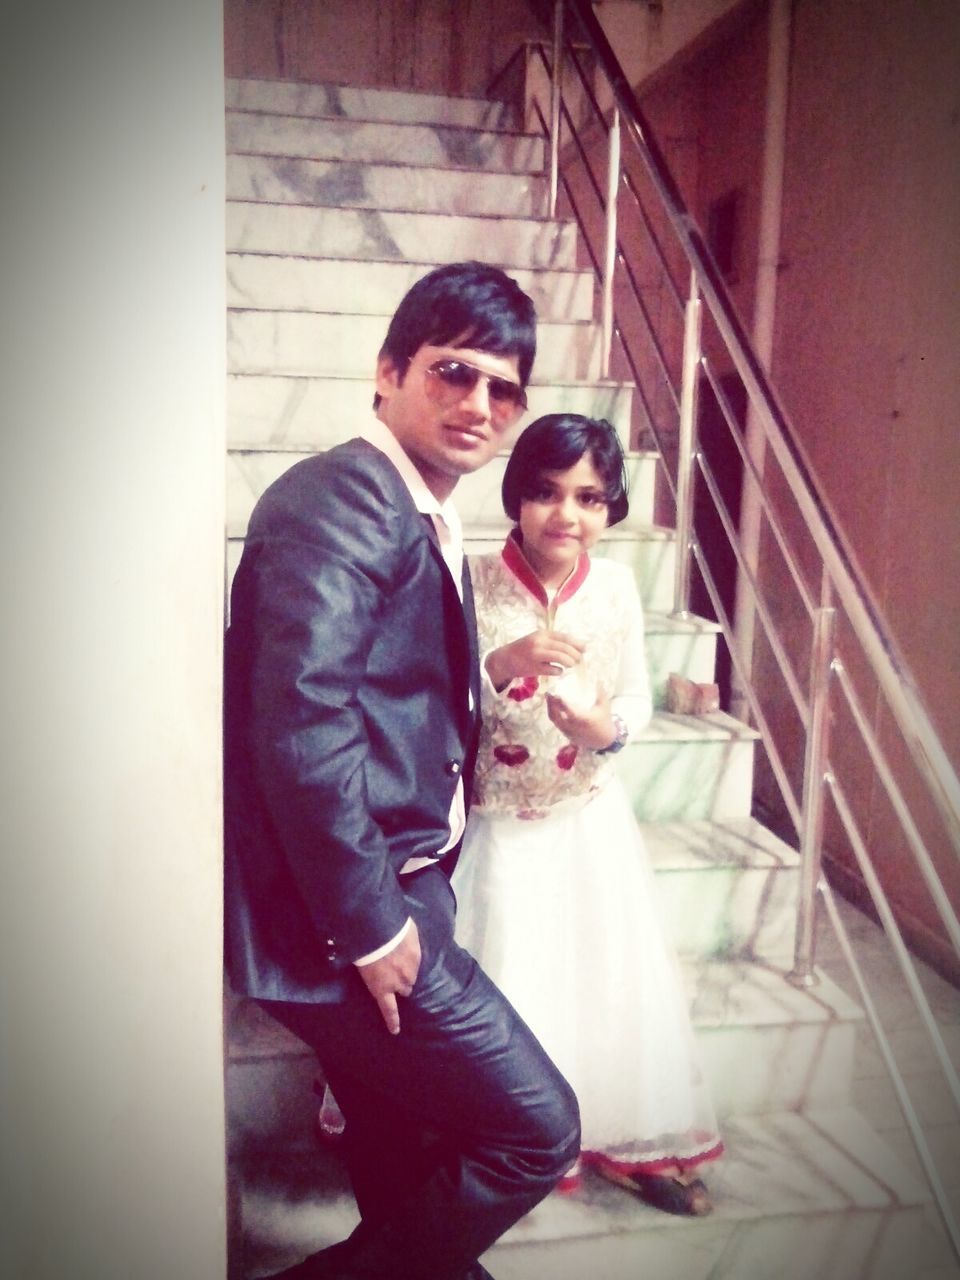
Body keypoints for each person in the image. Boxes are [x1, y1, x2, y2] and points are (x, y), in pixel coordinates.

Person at [223, 262, 581, 1280]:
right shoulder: (343, 500)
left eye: (503, 387)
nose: (479, 404)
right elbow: (302, 721)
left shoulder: (409, 500)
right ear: (388, 372)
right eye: (453, 372)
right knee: (536, 1130)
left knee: (396, 1149)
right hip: (351, 914)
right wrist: (374, 920)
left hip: (397, 881)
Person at [450, 413, 723, 1217]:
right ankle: (495, 1140)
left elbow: (635, 694)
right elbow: (435, 692)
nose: (565, 514)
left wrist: (607, 730)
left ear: (611, 508)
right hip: (495, 823)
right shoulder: (469, 575)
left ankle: (614, 1137)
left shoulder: (614, 587)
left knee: (601, 985)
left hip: (587, 818)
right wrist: (503, 664)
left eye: (589, 497)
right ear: (515, 495)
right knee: (502, 981)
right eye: (544, 492)